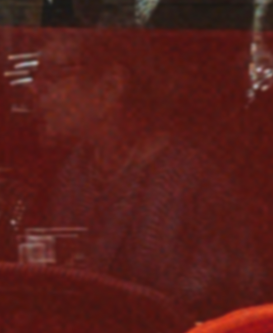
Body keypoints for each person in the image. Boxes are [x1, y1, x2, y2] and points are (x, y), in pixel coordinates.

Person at [31, 25, 261, 313]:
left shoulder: (189, 182)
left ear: (111, 86)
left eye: (51, 76)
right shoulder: (76, 170)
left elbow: (205, 306)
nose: (35, 88)